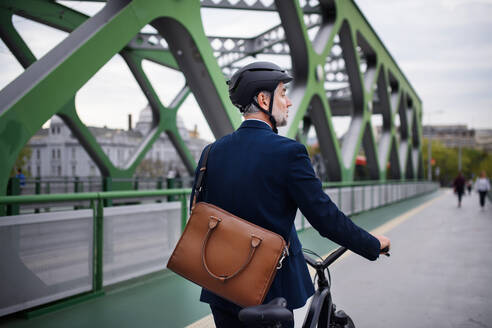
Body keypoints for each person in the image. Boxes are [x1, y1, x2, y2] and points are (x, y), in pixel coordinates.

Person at [190, 61, 390, 328]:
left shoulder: (211, 152)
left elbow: (202, 211)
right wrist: (373, 244)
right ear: (263, 99)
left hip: (220, 285)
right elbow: (326, 219)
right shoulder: (289, 152)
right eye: (283, 93)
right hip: (267, 291)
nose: (289, 102)